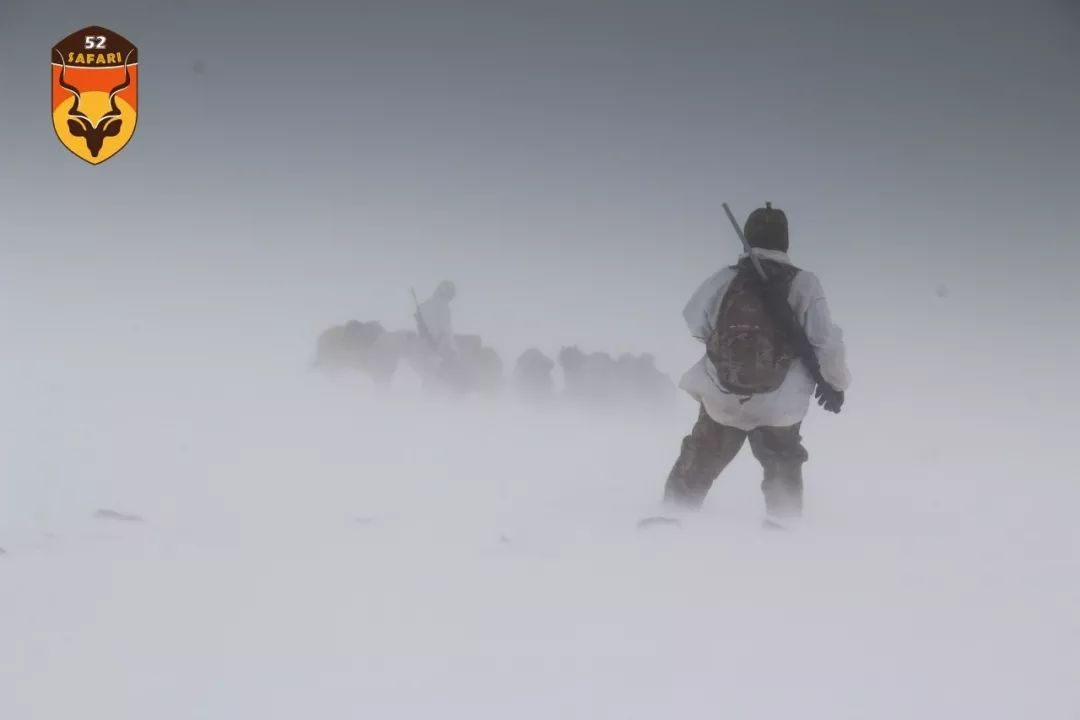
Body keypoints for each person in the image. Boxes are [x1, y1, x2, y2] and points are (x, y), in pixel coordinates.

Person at [662, 202, 850, 526]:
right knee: (783, 462)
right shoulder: (805, 284)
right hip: (782, 403)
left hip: (723, 396)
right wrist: (836, 384)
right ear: (785, 241)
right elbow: (825, 341)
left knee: (702, 455)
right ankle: (784, 527)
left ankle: (671, 519)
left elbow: (695, 322)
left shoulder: (725, 279)